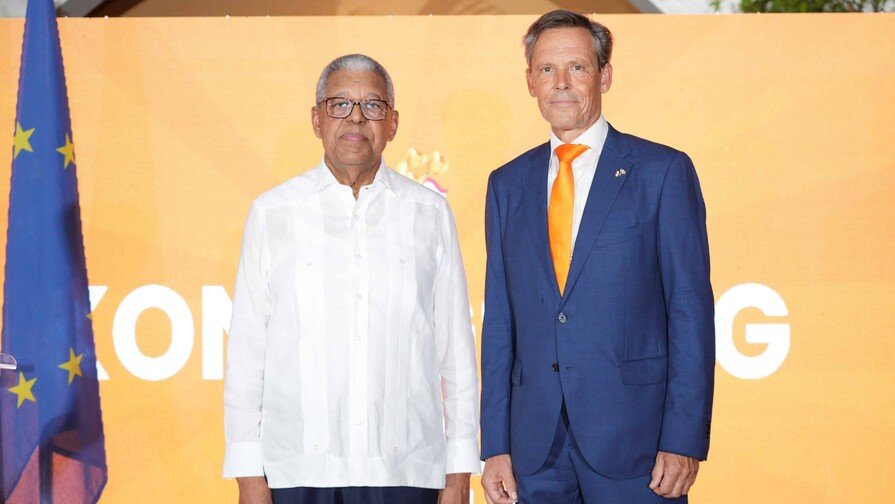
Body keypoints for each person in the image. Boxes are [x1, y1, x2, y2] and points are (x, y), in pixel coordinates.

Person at [223, 53, 480, 504]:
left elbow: (456, 351)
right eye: (339, 104)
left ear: (393, 122)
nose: (356, 118)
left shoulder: (429, 213)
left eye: (373, 106)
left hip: (408, 472)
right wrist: (248, 474)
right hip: (296, 471)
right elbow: (247, 353)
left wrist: (459, 471)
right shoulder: (273, 212)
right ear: (317, 119)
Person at [480, 10, 715, 503]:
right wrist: (495, 445)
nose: (560, 83)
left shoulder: (662, 172)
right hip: (533, 451)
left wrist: (683, 438)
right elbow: (501, 323)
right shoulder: (506, 185)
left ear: (604, 75)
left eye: (577, 68)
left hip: (638, 449)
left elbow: (690, 314)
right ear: (529, 81)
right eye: (546, 69)